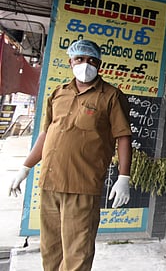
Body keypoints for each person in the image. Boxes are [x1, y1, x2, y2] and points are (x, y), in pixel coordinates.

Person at [9, 39, 133, 271]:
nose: (85, 64)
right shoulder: (58, 94)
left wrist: (123, 177)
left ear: (99, 65)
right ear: (70, 62)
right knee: (50, 248)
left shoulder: (111, 96)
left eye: (91, 61)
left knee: (78, 252)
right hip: (50, 182)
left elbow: (123, 137)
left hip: (82, 185)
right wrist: (25, 168)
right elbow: (47, 133)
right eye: (80, 59)